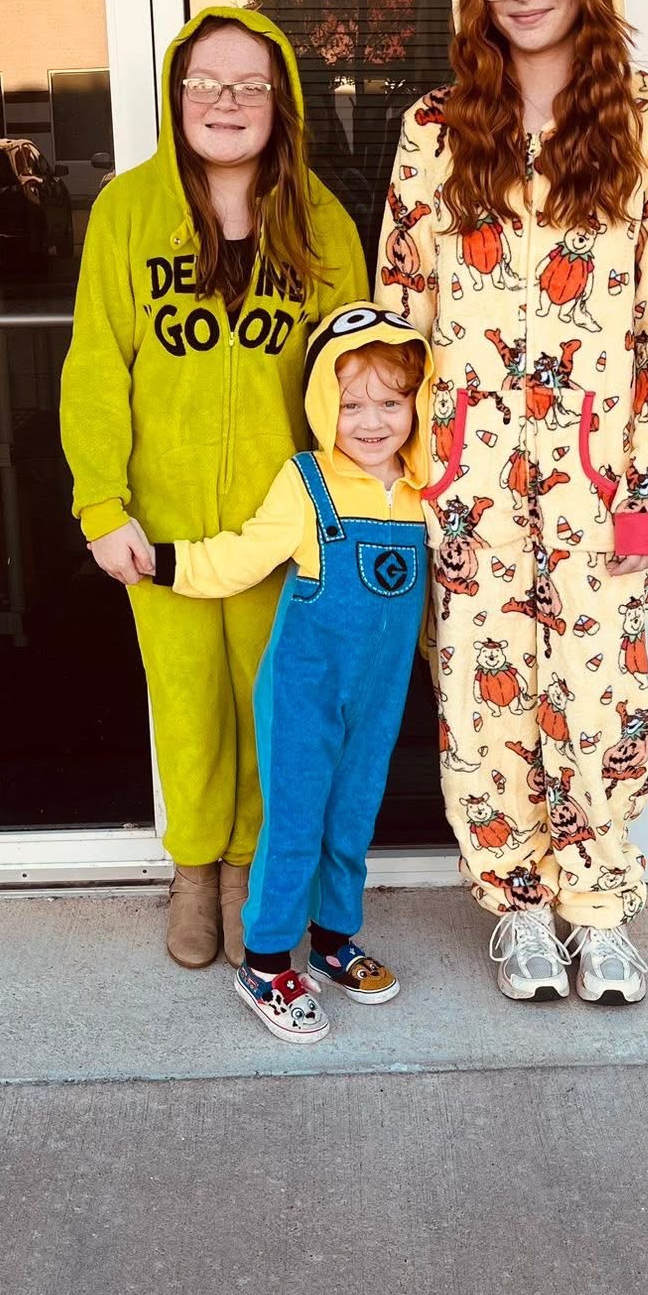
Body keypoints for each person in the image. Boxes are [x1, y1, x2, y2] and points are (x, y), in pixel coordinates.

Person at [375, 0, 648, 1007]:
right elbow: (399, 313)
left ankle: (599, 903)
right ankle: (515, 905)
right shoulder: (433, 129)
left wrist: (647, 488)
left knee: (601, 698)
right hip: (464, 481)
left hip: (601, 480)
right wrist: (401, 472)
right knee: (483, 698)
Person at [61, 8, 367, 971]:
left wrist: (347, 510)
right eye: (204, 82)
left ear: (281, 103)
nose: (223, 102)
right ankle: (194, 870)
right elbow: (96, 367)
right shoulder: (126, 212)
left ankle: (251, 875)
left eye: (247, 86)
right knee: (188, 706)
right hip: (166, 528)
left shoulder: (321, 222)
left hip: (286, 531)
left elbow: (352, 381)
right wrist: (102, 504)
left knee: (275, 711)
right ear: (175, 94)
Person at [146, 305, 432, 1043]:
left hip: (378, 694)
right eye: (351, 403)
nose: (371, 421)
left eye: (390, 402)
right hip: (304, 687)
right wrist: (166, 563)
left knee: (354, 813)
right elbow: (243, 555)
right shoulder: (309, 483)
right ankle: (267, 961)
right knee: (296, 820)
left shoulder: (426, 487)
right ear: (321, 402)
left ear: (417, 402)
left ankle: (334, 940)